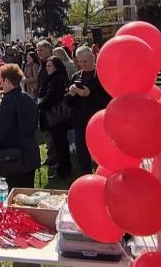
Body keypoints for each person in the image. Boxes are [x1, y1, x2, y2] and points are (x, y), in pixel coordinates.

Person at [0, 63, 41, 189]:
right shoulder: (29, 99)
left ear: (7, 81)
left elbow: (2, 129)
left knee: (15, 195)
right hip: (30, 152)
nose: (0, 84)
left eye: (1, 81)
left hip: (13, 157)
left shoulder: (8, 101)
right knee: (28, 192)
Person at [65, 46, 110, 175]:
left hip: (98, 121)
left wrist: (89, 94)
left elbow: (108, 100)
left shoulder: (101, 75)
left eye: (85, 61)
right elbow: (67, 101)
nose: (83, 65)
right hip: (80, 122)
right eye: (80, 62)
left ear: (93, 58)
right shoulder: (76, 76)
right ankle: (86, 177)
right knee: (82, 152)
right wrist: (71, 94)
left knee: (101, 153)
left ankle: (102, 175)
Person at [38, 56, 71, 179]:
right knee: (58, 144)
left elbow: (53, 97)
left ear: (56, 66)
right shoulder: (53, 78)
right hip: (55, 117)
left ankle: (63, 171)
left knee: (60, 144)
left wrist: (41, 104)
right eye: (46, 66)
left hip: (57, 117)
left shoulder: (57, 78)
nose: (47, 68)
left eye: (50, 66)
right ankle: (62, 169)